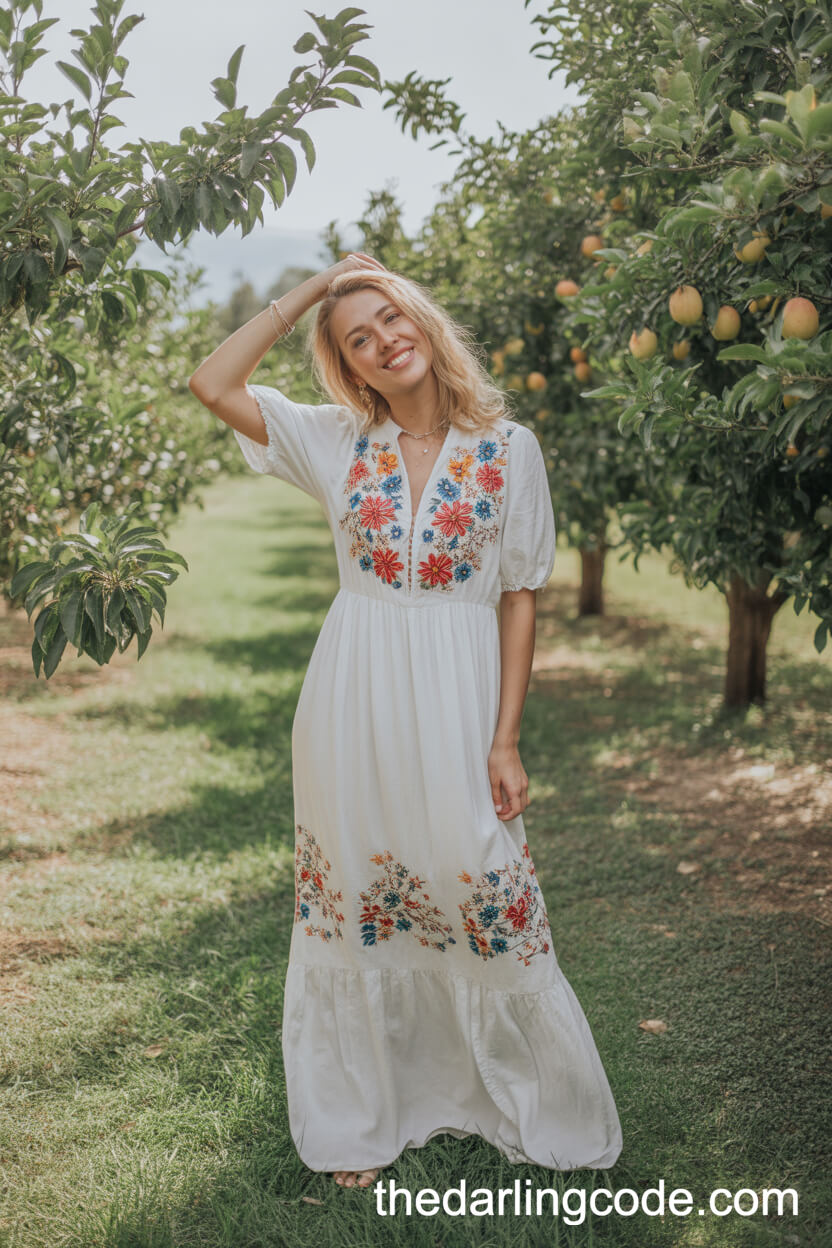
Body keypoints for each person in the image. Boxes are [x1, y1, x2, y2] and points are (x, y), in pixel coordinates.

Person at [188, 253, 623, 1190]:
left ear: (421, 321)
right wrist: (313, 291)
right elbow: (211, 381)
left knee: (484, 884)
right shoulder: (335, 442)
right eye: (359, 339)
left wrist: (505, 738)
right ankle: (363, 1118)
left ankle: (530, 1106)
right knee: (358, 902)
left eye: (392, 318)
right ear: (350, 367)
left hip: (460, 699)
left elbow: (519, 598)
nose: (386, 340)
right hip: (353, 698)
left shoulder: (509, 450)